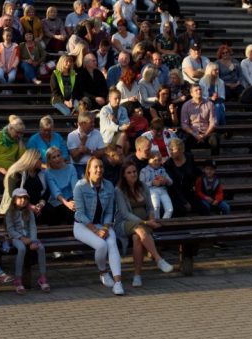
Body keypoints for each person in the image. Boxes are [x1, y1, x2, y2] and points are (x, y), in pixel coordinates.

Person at [115, 162, 175, 287]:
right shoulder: (119, 190)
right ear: (124, 175)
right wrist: (146, 222)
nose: (133, 174)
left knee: (137, 238)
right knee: (140, 230)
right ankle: (158, 259)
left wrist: (151, 219)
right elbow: (125, 214)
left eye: (134, 171)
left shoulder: (142, 186)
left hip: (144, 223)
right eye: (129, 172)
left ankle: (137, 276)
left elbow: (150, 208)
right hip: (125, 223)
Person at [73, 156, 125, 296]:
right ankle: (103, 271)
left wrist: (106, 228)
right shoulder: (80, 186)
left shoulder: (109, 186)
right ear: (89, 170)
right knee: (101, 245)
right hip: (82, 226)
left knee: (112, 243)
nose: (99, 169)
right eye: (95, 167)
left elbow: (109, 211)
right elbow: (79, 214)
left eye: (101, 167)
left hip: (102, 224)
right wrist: (96, 230)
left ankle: (118, 283)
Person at [4, 188, 49, 294]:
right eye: (20, 198)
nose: (23, 200)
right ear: (14, 199)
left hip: (29, 237)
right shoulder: (10, 212)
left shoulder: (29, 212)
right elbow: (10, 230)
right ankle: (18, 279)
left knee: (41, 248)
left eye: (25, 198)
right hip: (16, 238)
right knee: (21, 248)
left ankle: (42, 277)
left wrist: (33, 241)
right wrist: (21, 238)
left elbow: (33, 227)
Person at [0, 115, 26, 192]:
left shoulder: (18, 141)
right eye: (17, 132)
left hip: (11, 170)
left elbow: (22, 159)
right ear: (11, 129)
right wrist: (0, 169)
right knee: (5, 183)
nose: (19, 135)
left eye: (21, 133)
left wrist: (20, 142)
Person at [181, 83, 220, 155]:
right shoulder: (186, 105)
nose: (199, 91)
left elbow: (213, 123)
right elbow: (184, 124)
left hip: (206, 132)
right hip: (192, 133)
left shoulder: (210, 104)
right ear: (191, 94)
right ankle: (188, 160)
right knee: (184, 140)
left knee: (215, 138)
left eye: (200, 89)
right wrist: (195, 135)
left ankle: (215, 160)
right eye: (196, 90)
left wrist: (205, 135)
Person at [67, 113, 105, 178]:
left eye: (93, 122)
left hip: (93, 164)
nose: (93, 124)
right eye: (91, 122)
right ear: (82, 123)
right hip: (78, 165)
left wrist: (88, 151)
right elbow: (75, 159)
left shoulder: (97, 133)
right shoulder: (72, 136)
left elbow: (102, 153)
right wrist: (83, 142)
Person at [140, 149, 174, 219]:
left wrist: (165, 180)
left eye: (159, 160)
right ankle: (156, 223)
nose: (157, 162)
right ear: (149, 160)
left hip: (163, 191)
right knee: (156, 207)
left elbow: (171, 182)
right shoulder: (144, 170)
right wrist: (152, 183)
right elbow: (140, 184)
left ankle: (164, 223)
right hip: (152, 191)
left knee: (170, 209)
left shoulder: (162, 170)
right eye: (155, 160)